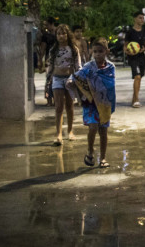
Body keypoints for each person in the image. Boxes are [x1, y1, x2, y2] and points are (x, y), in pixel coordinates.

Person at [68, 38, 116, 169]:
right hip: (90, 103)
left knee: (103, 131)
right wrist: (71, 81)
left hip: (104, 103)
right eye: (95, 52)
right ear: (91, 52)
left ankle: (103, 158)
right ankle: (90, 150)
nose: (97, 54)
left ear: (107, 51)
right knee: (93, 127)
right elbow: (76, 76)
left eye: (100, 51)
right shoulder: (88, 67)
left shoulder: (110, 67)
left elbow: (110, 86)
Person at [47, 24, 82, 145]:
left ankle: (70, 131)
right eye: (58, 34)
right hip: (57, 79)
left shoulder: (73, 49)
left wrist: (78, 80)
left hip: (70, 79)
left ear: (68, 35)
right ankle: (59, 134)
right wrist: (48, 81)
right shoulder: (53, 50)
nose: (61, 36)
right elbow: (50, 66)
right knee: (58, 107)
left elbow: (78, 66)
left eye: (63, 33)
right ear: (56, 36)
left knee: (69, 106)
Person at [125, 11, 145, 108]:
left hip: (141, 57)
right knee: (137, 76)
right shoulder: (130, 32)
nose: (142, 20)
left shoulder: (144, 31)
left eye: (143, 18)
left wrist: (143, 49)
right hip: (133, 58)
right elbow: (125, 46)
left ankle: (134, 98)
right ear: (135, 19)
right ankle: (136, 99)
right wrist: (128, 52)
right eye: (140, 18)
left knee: (139, 78)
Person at [38, 17, 57, 106]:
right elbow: (42, 49)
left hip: (58, 60)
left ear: (52, 24)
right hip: (49, 60)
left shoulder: (59, 34)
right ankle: (49, 99)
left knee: (56, 80)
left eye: (47, 25)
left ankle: (56, 100)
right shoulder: (46, 36)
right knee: (49, 81)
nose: (46, 27)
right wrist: (40, 60)